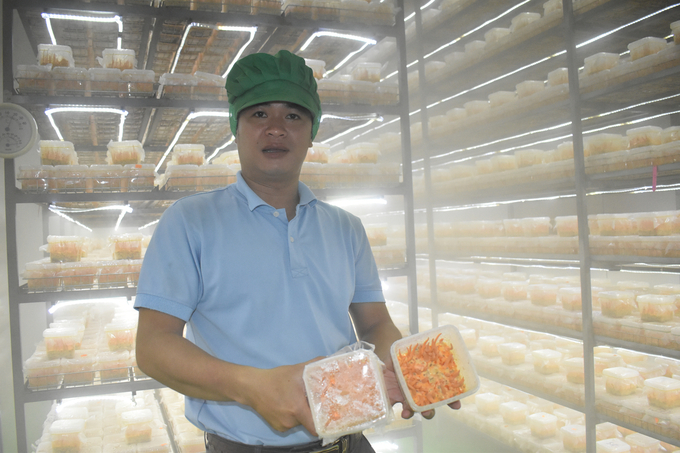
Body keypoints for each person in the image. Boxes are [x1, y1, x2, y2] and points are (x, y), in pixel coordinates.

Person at [134, 50, 459, 453]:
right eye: (258, 115)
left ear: (311, 131)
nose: (276, 129)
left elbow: (375, 325)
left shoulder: (345, 228)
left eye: (293, 116)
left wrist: (406, 368)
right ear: (236, 127)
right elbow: (153, 347)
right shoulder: (190, 221)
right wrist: (252, 388)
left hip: (350, 439)